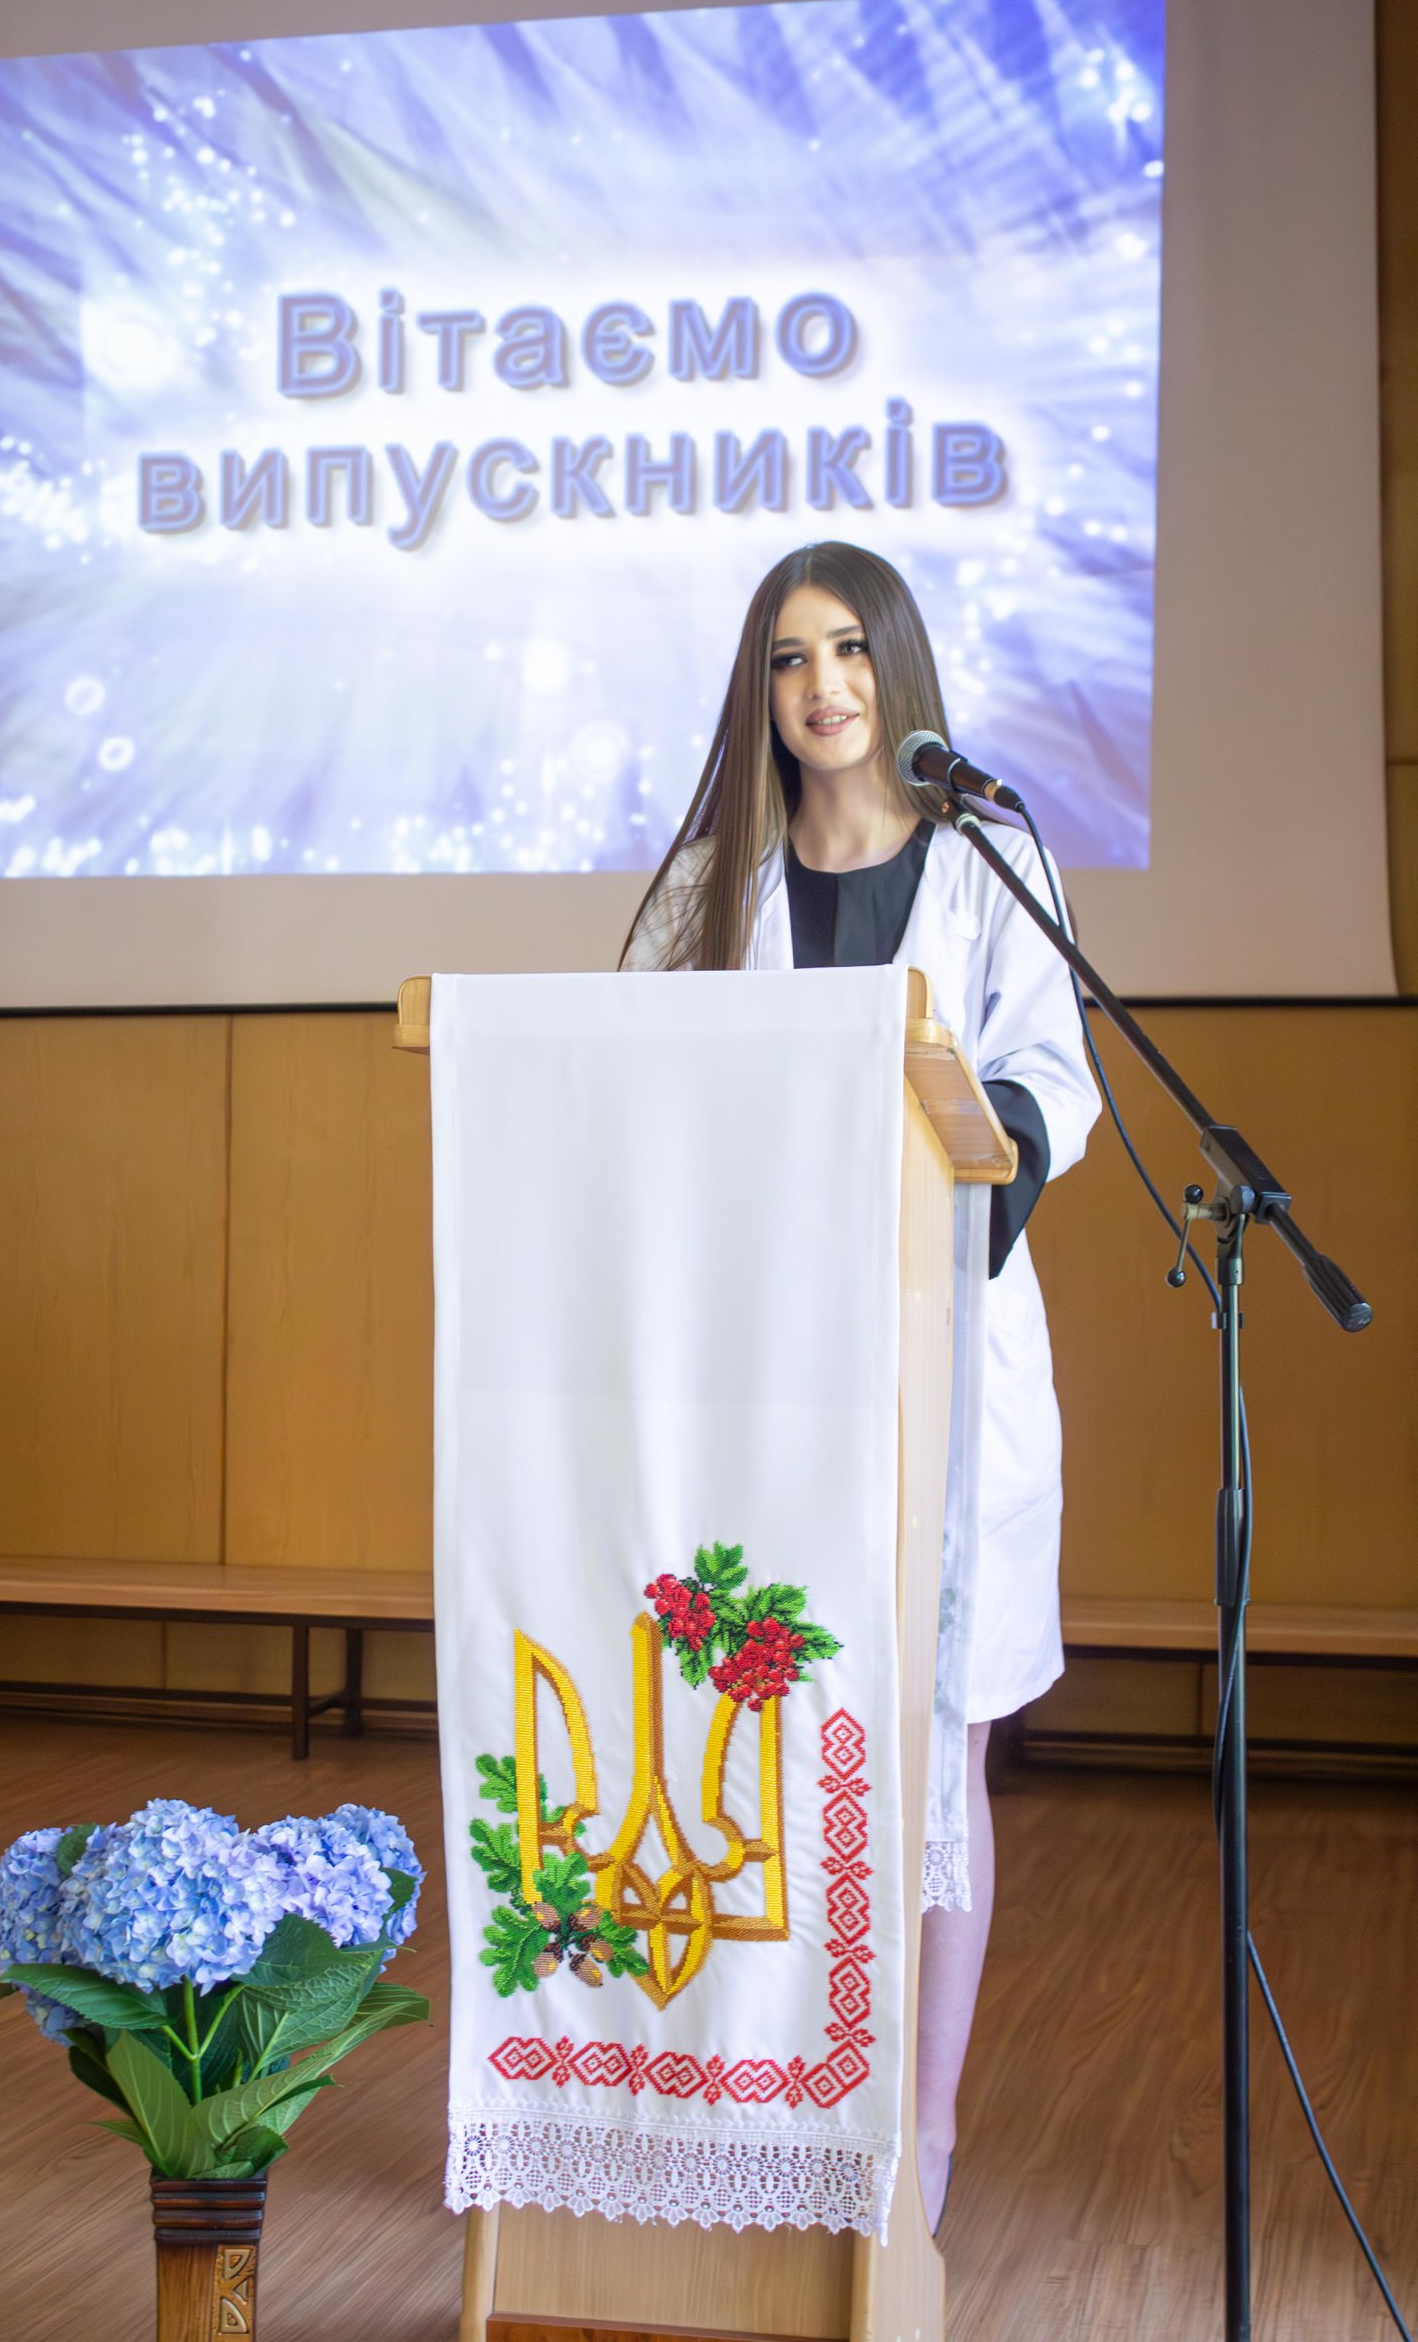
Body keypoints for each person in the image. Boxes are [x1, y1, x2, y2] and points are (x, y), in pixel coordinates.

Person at [621, 540, 1099, 2234]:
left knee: (935, 1762)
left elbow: (1050, 1079)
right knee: (757, 1744)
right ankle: (762, 2106)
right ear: (756, 692)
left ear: (895, 665)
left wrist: (980, 1155)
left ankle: (922, 2135)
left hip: (940, 1362)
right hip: (759, 1379)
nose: (820, 686)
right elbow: (639, 1103)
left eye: (846, 650)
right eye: (785, 658)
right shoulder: (706, 890)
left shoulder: (992, 861)